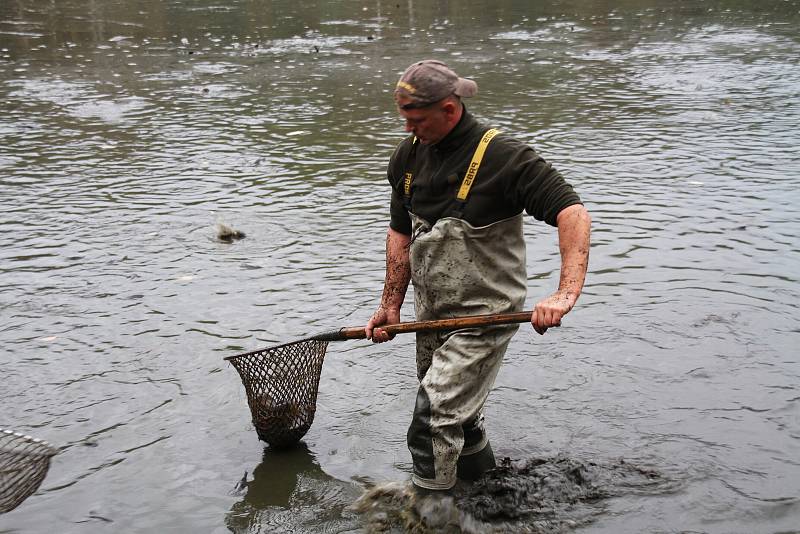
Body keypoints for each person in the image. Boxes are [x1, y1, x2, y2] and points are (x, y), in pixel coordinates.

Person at [365, 60, 591, 494]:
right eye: (406, 120)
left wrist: (565, 293)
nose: (411, 130)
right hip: (431, 313)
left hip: (487, 314)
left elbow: (573, 213)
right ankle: (484, 492)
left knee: (432, 418)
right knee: (459, 418)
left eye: (418, 120)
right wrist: (390, 304)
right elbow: (398, 232)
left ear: (450, 110)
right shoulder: (407, 158)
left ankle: (427, 517)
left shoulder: (506, 158)